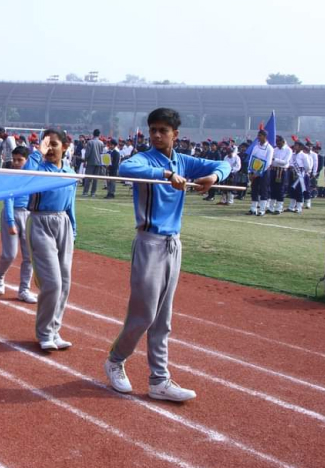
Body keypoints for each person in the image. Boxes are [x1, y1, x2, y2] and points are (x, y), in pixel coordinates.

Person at [105, 108, 230, 402]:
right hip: (149, 242)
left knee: (163, 318)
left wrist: (212, 176)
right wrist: (166, 174)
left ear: (176, 134)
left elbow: (224, 164)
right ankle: (115, 360)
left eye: (163, 130)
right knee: (144, 314)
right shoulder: (145, 159)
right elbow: (126, 169)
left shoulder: (184, 160)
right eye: (153, 130)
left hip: (173, 244)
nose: (157, 135)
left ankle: (159, 379)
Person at [28, 129, 77, 351]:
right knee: (52, 283)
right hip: (40, 223)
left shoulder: (70, 172)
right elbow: (26, 177)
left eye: (54, 144)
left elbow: (70, 204)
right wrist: (38, 152)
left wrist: (73, 229)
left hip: (63, 224)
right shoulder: (37, 169)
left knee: (65, 282)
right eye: (45, 144)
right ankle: (44, 333)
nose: (49, 149)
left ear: (65, 147)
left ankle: (55, 330)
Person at [0, 146, 38, 303]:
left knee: (29, 256)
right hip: (11, 214)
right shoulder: (10, 176)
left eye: (20, 160)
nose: (17, 163)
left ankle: (24, 290)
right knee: (10, 254)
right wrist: (11, 222)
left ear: (27, 160)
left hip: (29, 215)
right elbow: (8, 199)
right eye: (14, 160)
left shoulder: (32, 173)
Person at [247, 129, 274, 216]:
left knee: (263, 190)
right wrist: (250, 172)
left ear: (265, 137)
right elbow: (251, 158)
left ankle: (262, 209)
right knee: (254, 189)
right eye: (258, 135)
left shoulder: (269, 148)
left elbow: (268, 162)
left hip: (264, 172)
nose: (258, 137)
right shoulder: (255, 146)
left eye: (260, 136)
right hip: (254, 171)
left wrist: (257, 173)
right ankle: (253, 209)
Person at [267, 135, 292, 214]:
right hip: (274, 170)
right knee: (273, 189)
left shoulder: (288, 150)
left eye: (279, 142)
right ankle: (271, 208)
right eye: (277, 142)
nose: (278, 144)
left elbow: (285, 162)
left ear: (283, 142)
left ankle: (279, 208)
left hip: (282, 171)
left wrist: (275, 159)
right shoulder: (275, 149)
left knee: (280, 189)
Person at [289, 141, 313, 214]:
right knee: (292, 190)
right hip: (293, 173)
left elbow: (307, 166)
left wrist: (303, 173)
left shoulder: (304, 155)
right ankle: (291, 207)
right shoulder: (293, 155)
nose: (295, 147)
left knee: (299, 190)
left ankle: (299, 207)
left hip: (300, 174)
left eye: (296, 145)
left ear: (300, 147)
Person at [82, 129, 106, 197]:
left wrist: (85, 160)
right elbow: (102, 153)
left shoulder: (90, 142)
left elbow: (88, 153)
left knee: (88, 178)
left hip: (90, 162)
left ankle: (85, 192)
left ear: (93, 134)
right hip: (98, 162)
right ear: (99, 134)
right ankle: (93, 193)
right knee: (95, 179)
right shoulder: (101, 143)